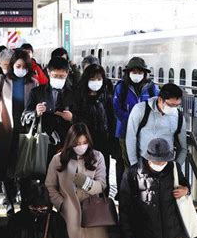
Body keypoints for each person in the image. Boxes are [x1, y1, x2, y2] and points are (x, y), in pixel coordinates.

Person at [45, 123, 113, 238]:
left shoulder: (98, 156)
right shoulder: (58, 159)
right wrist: (61, 204)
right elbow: (50, 186)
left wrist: (84, 182)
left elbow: (102, 185)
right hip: (68, 216)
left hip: (93, 214)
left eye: (84, 142)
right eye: (77, 143)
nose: (81, 146)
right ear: (70, 142)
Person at [119, 138, 189, 238]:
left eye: (164, 159)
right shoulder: (132, 173)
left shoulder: (173, 168)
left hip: (172, 233)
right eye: (158, 160)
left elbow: (185, 183)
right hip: (144, 236)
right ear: (148, 158)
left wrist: (186, 190)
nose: (162, 163)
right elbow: (124, 207)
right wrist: (127, 237)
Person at [0, 49, 38, 216]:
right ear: (12, 65)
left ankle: (25, 203)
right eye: (18, 65)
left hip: (26, 132)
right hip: (7, 130)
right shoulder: (2, 79)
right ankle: (9, 202)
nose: (21, 69)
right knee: (8, 169)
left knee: (25, 170)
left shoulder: (33, 82)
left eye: (24, 66)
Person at [22, 57, 74, 166]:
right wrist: (35, 112)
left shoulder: (74, 93)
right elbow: (24, 117)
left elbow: (84, 118)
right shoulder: (37, 92)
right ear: (48, 72)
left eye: (62, 76)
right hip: (44, 142)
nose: (58, 79)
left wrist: (72, 118)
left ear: (67, 73)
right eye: (55, 76)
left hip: (68, 142)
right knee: (45, 176)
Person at [72, 64, 115, 195]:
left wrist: (111, 140)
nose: (96, 82)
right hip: (84, 143)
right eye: (93, 78)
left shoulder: (106, 97)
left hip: (103, 143)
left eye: (99, 79)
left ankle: (102, 204)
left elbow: (111, 119)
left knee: (102, 174)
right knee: (83, 174)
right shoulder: (78, 96)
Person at [114, 56, 159, 170]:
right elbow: (116, 108)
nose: (137, 74)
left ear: (144, 73)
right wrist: (132, 120)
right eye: (134, 71)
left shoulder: (151, 88)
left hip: (146, 132)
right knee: (129, 163)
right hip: (125, 131)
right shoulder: (121, 87)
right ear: (128, 72)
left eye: (140, 72)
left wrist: (144, 122)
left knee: (145, 162)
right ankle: (129, 185)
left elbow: (157, 107)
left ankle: (143, 186)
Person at [126, 83, 186, 167]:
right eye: (171, 105)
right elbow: (130, 137)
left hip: (167, 165)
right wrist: (134, 164)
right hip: (144, 163)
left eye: (177, 105)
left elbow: (183, 147)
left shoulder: (179, 117)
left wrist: (177, 167)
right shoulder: (140, 110)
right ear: (160, 99)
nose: (174, 108)